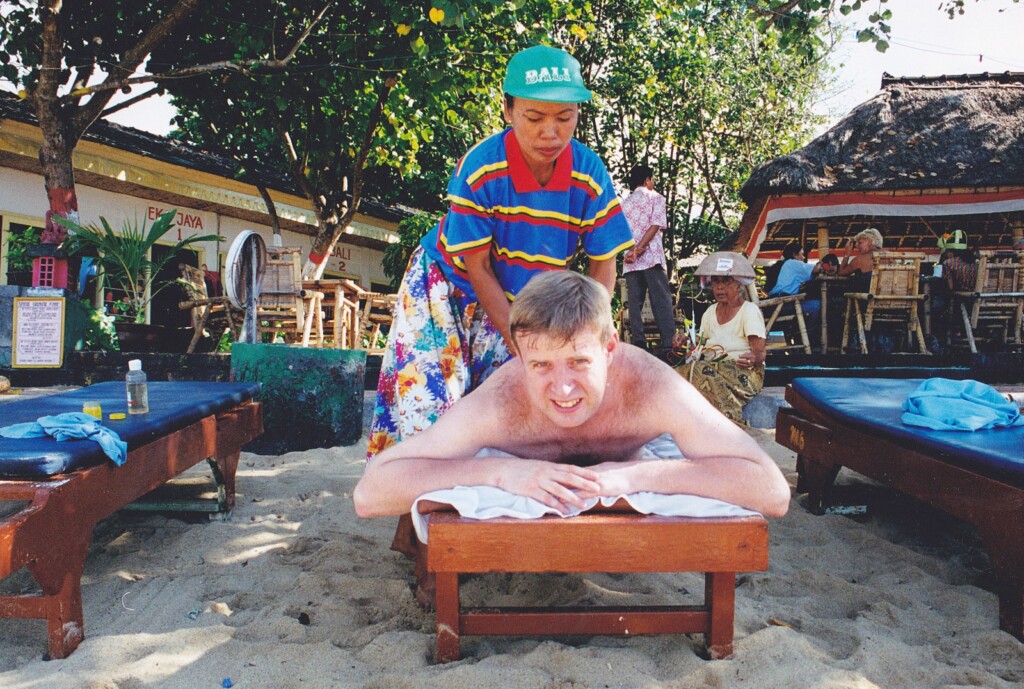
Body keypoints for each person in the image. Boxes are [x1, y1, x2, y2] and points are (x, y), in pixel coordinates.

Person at [367, 45, 634, 459]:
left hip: (523, 299)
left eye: (565, 118)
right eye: (535, 117)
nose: (551, 133)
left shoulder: (589, 173)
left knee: (510, 419)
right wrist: (521, 343)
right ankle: (409, 496)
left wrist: (589, 335)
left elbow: (604, 262)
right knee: (430, 414)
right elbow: (477, 267)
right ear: (508, 111)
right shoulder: (480, 167)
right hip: (445, 288)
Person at [354, 270, 790, 520]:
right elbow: (371, 492)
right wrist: (503, 474)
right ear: (519, 355)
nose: (562, 389)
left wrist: (632, 475)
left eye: (579, 362)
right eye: (541, 366)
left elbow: (771, 489)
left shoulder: (650, 386)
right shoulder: (503, 399)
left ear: (610, 349)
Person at [674, 252, 766, 426]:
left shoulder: (749, 311)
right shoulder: (710, 312)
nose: (719, 287)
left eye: (726, 282)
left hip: (744, 372)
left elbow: (760, 354)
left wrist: (753, 358)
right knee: (675, 374)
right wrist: (685, 340)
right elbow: (699, 343)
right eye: (716, 282)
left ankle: (730, 426)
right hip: (711, 367)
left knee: (703, 373)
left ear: (739, 285)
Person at [621, 164, 676, 357]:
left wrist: (631, 251)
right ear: (647, 180)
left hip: (630, 259)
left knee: (634, 303)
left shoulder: (624, 204)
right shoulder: (656, 198)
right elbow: (655, 225)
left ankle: (639, 342)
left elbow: (621, 232)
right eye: (652, 179)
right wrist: (640, 248)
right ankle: (668, 344)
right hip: (651, 256)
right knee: (660, 299)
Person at [768, 243, 825, 346]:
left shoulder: (785, 265)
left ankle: (800, 338)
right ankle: (808, 339)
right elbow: (816, 269)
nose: (804, 258)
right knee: (816, 305)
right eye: (802, 254)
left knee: (807, 306)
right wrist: (822, 264)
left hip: (775, 304)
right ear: (795, 255)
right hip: (782, 303)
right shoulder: (793, 263)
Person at [838, 227, 883, 291]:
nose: (857, 246)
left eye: (860, 243)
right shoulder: (892, 257)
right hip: (890, 296)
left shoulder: (860, 259)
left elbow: (841, 273)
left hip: (868, 296)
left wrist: (847, 253)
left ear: (870, 242)